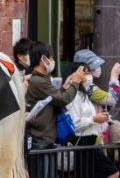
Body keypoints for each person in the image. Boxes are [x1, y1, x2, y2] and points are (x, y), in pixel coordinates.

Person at [25, 41, 84, 178]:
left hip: (46, 139)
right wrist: (75, 82)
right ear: (43, 59)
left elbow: (54, 100)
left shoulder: (42, 80)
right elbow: (63, 99)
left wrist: (66, 86)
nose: (53, 61)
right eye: (51, 58)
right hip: (41, 140)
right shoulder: (39, 81)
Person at [64, 62, 119, 178]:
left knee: (110, 172)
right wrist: (93, 119)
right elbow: (74, 123)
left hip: (91, 143)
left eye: (90, 73)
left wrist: (98, 117)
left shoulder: (84, 95)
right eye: (86, 73)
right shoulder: (73, 96)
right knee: (111, 173)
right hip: (81, 142)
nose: (89, 77)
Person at [74, 49, 120, 143]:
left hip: (94, 130)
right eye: (92, 68)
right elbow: (112, 99)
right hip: (94, 133)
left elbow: (107, 103)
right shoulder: (89, 88)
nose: (97, 69)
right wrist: (114, 78)